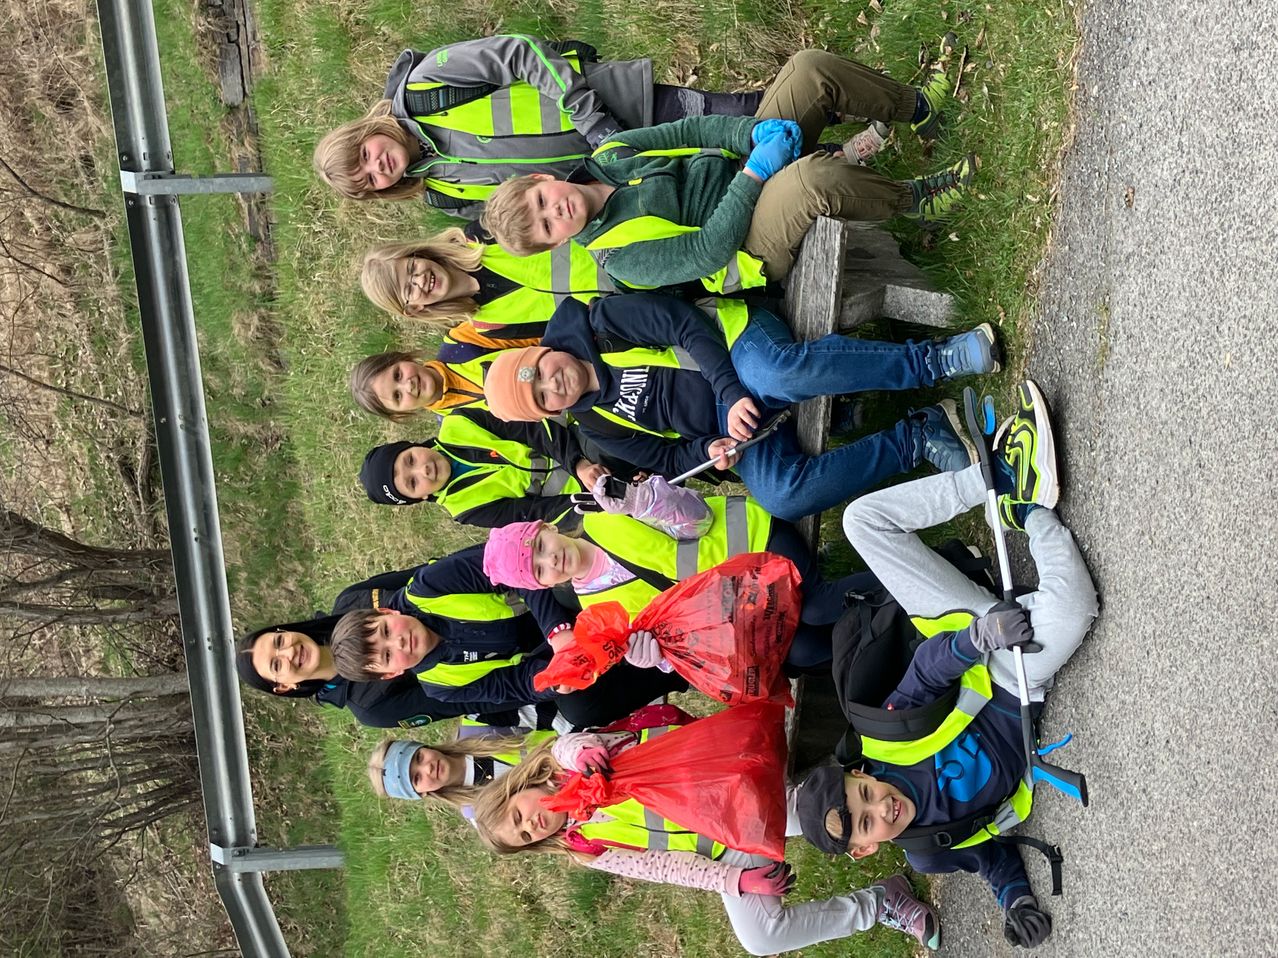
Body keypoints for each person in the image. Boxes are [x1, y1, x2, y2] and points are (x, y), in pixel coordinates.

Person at [793, 380, 1099, 950]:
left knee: (862, 522)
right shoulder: (928, 849)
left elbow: (931, 669)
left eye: (864, 795)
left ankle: (993, 481)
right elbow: (989, 855)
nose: (879, 807)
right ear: (866, 848)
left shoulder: (884, 742)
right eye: (867, 822)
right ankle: (1031, 513)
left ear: (860, 775)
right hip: (1019, 682)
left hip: (972, 634)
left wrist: (979, 635)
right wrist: (1016, 899)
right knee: (1078, 609)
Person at [480, 46, 973, 292]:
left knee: (806, 69)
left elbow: (688, 133)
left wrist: (750, 137)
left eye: (542, 202)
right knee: (808, 183)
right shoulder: (621, 259)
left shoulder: (611, 154)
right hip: (748, 245)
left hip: (742, 168)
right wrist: (755, 175)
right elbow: (707, 250)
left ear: (542, 180)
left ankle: (919, 110)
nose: (556, 211)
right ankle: (920, 199)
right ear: (558, 243)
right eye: (549, 227)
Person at [480, 292, 995, 522]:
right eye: (544, 398)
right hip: (739, 428)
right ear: (549, 414)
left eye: (542, 372)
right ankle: (917, 436)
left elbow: (685, 325)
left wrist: (729, 394)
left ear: (542, 352)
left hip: (736, 346)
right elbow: (667, 461)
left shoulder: (600, 323)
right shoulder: (595, 425)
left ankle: (933, 361)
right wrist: (712, 449)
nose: (555, 383)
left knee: (781, 373)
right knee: (780, 496)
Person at [470, 728, 942, 954]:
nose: (533, 824)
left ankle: (890, 794)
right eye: (526, 837)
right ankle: (881, 903)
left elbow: (569, 743)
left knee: (810, 809)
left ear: (519, 787)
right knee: (759, 938)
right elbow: (666, 867)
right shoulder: (586, 848)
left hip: (734, 792)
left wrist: (581, 753)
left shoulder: (574, 763)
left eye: (519, 814)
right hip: (727, 847)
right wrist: (739, 881)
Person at [313, 35, 762, 217]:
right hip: (628, 180)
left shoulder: (427, 84)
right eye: (370, 180)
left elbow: (520, 52)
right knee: (749, 178)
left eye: (366, 156)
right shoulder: (442, 194)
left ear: (364, 132)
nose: (379, 166)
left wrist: (598, 127)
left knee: (754, 120)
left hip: (629, 107)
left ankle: (826, 98)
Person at [481, 477, 864, 670]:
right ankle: (894, 628)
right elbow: (684, 641)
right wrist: (659, 658)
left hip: (752, 543)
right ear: (544, 586)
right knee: (803, 651)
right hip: (748, 605)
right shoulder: (597, 615)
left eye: (541, 549)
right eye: (539, 571)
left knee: (816, 607)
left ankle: (912, 587)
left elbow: (700, 520)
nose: (551, 561)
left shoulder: (606, 515)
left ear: (547, 529)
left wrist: (650, 501)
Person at [326, 543, 687, 728]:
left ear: (388, 612)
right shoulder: (441, 686)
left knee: (565, 584)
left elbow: (512, 566)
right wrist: (554, 679)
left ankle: (665, 587)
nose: (399, 642)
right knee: (578, 706)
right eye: (387, 656)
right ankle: (677, 663)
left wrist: (558, 631)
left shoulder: (428, 587)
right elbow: (512, 688)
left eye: (387, 631)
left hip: (551, 599)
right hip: (553, 653)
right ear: (392, 674)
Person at [235, 567, 535, 728]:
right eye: (277, 664)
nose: (288, 653)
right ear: (284, 687)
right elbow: (474, 701)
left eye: (278, 642)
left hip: (513, 602)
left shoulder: (351, 600)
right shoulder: (372, 709)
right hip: (522, 664)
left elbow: (433, 575)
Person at [359, 221, 616, 363]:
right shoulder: (489, 326)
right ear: (414, 309)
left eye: (412, 267)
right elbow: (564, 328)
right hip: (621, 303)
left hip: (615, 246)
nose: (420, 279)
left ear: (418, 254)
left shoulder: (482, 234)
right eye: (409, 288)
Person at [357, 405, 602, 527]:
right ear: (421, 497)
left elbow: (530, 429)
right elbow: (534, 514)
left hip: (571, 443)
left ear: (411, 445)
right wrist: (593, 499)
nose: (423, 470)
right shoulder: (465, 510)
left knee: (602, 446)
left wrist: (578, 463)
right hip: (577, 497)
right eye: (413, 483)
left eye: (410, 459)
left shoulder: (458, 422)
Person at [367, 720, 555, 817]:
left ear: (424, 746)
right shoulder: (478, 811)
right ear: (421, 794)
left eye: (419, 757)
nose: (427, 768)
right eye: (416, 778)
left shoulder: (476, 726)